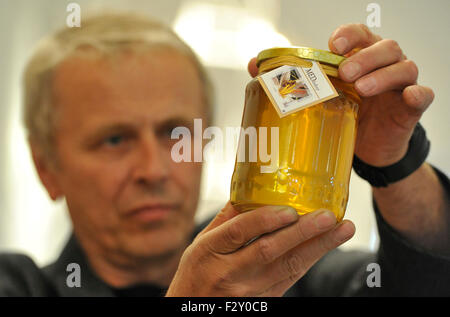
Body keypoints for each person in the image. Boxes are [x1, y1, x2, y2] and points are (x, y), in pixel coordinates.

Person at [0, 12, 449, 297]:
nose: (154, 170)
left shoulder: (283, 267)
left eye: (177, 134)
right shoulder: (16, 285)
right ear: (46, 169)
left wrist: (395, 163)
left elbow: (422, 284)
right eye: (114, 140)